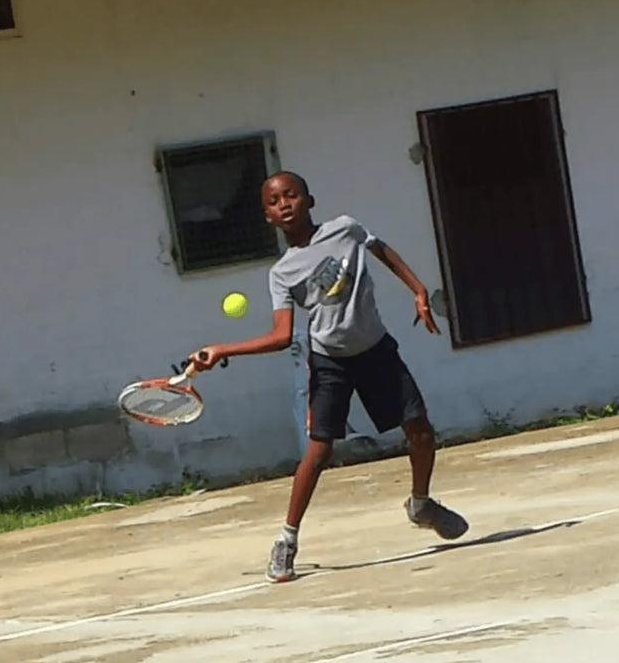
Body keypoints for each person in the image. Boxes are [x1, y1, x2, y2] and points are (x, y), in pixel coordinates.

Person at [189, 171, 468, 583]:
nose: (284, 204)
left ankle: (422, 503)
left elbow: (381, 250)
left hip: (375, 350)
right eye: (274, 201)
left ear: (309, 200)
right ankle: (287, 540)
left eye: (291, 195)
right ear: (266, 215)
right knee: (318, 452)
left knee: (421, 430)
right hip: (331, 362)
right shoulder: (282, 273)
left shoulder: (345, 229)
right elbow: (282, 335)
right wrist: (223, 349)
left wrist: (418, 289)